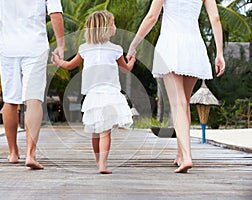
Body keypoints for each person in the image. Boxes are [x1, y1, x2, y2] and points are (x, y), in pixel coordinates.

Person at [127, 0, 225, 173]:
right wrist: (219, 53)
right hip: (194, 46)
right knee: (184, 102)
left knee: (178, 102)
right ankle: (180, 154)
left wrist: (133, 45)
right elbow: (215, 18)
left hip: (171, 46)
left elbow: (151, 17)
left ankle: (187, 156)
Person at [0, 0, 64, 170]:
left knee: (10, 99)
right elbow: (55, 14)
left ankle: (13, 152)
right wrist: (60, 45)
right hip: (35, 47)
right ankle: (31, 154)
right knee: (33, 100)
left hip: (8, 47)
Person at [52, 10, 136, 174]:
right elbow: (126, 69)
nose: (115, 27)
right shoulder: (116, 49)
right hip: (110, 94)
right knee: (105, 131)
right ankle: (103, 164)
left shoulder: (85, 49)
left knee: (96, 131)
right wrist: (131, 60)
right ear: (107, 28)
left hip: (92, 95)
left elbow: (69, 65)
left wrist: (58, 61)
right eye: (113, 24)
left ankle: (99, 162)